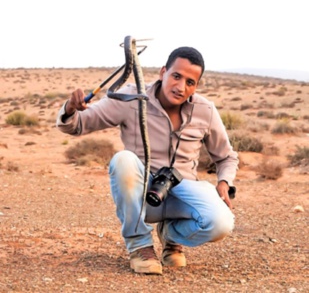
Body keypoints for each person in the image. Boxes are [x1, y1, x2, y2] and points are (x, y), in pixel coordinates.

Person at [56, 46, 238, 275]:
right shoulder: (131, 98)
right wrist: (71, 109)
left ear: (196, 86)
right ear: (163, 72)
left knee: (221, 223)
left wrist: (225, 182)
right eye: (176, 76)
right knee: (123, 160)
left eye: (190, 82)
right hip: (143, 196)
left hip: (182, 192)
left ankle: (171, 235)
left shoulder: (205, 110)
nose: (181, 87)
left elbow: (226, 157)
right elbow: (76, 125)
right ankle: (140, 246)